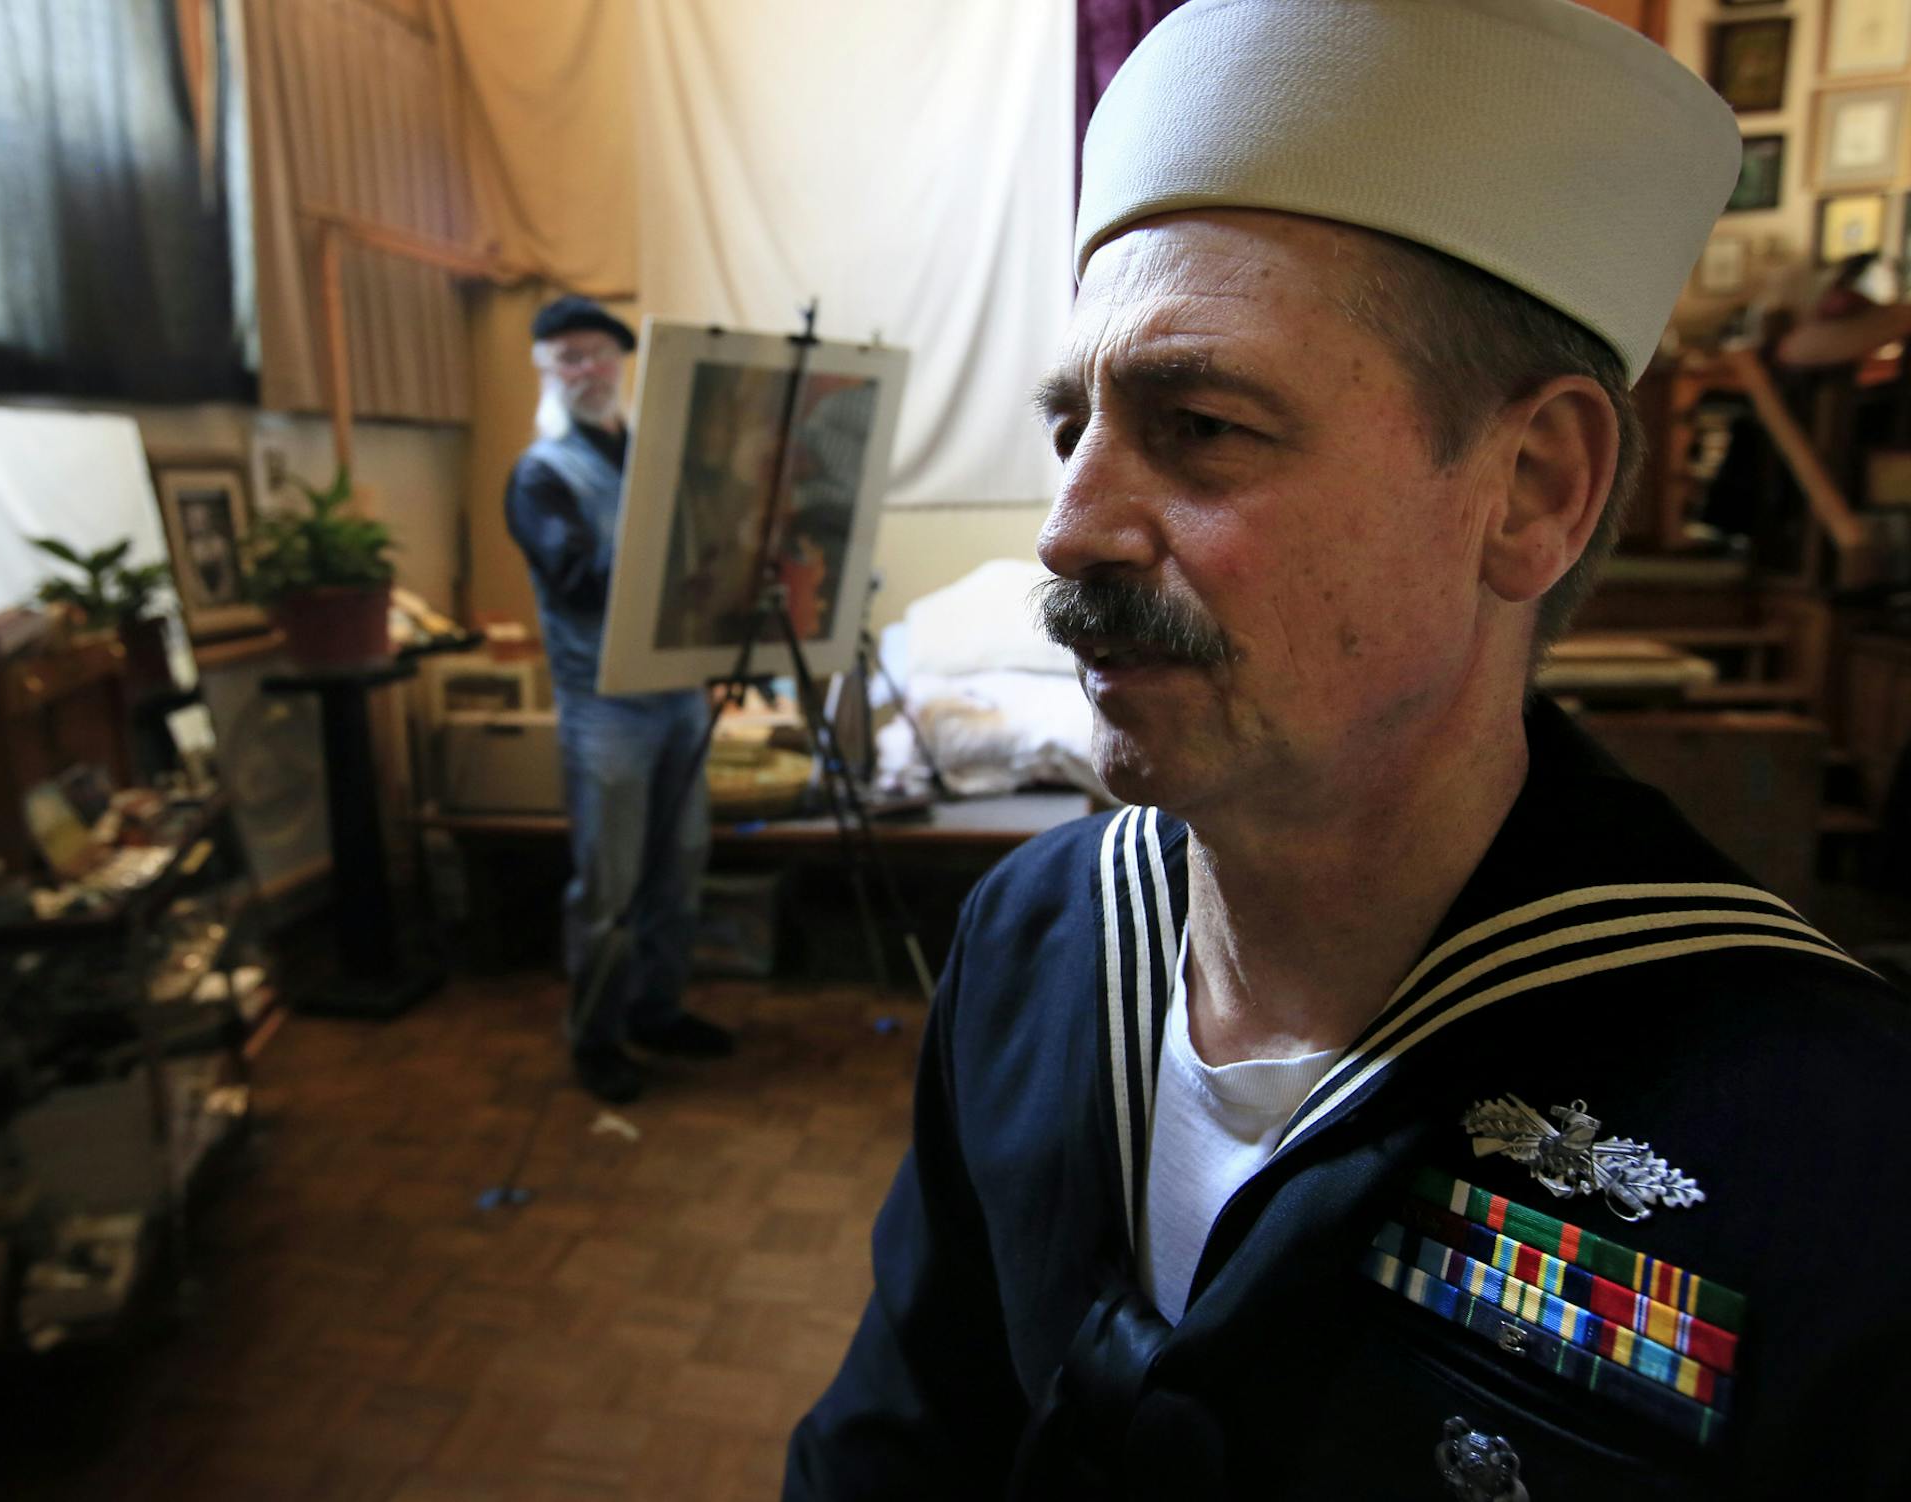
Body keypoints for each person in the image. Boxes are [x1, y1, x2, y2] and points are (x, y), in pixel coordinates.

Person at [787, 3, 1911, 1498]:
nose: (1068, 525)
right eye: (1073, 426)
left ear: (1530, 490)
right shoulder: (1037, 937)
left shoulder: (1828, 1136)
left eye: (1197, 424)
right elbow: (898, 1447)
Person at [504, 294, 734, 1104]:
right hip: (604, 707)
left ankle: (656, 1010)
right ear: (547, 371)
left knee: (680, 866)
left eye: (598, 353)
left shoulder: (651, 456)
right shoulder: (541, 474)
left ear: (620, 364)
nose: (587, 369)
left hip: (676, 694)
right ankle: (596, 1038)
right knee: (609, 884)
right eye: (568, 356)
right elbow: (576, 580)